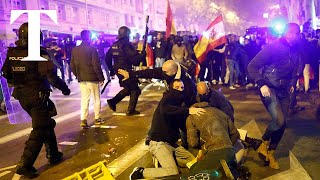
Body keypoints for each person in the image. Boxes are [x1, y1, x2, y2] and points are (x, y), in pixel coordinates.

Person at [1, 22, 71, 178]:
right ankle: (25, 165)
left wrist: (20, 82)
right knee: (40, 128)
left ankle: (53, 154)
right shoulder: (39, 52)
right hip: (37, 96)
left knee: (46, 124)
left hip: (21, 95)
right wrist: (65, 88)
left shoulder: (12, 52)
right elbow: (52, 77)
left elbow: (5, 73)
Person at [247, 23, 304, 169]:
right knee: (278, 120)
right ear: (287, 33)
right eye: (293, 33)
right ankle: (263, 143)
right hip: (269, 88)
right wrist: (261, 83)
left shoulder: (296, 49)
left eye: (297, 33)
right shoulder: (273, 47)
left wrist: (292, 83)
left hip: (284, 90)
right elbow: (252, 66)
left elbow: (296, 68)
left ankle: (271, 152)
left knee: (283, 123)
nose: (296, 36)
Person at [130, 80, 205, 180]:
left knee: (194, 162)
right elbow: (164, 109)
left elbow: (183, 127)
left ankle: (165, 161)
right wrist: (188, 111)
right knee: (172, 171)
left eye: (182, 88)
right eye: (176, 87)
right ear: (171, 89)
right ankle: (140, 172)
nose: (179, 90)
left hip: (172, 144)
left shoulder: (178, 105)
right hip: (159, 143)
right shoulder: (167, 98)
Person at [186, 103, 239, 173]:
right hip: (229, 151)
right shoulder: (220, 112)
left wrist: (204, 146)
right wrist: (227, 145)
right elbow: (235, 134)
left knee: (194, 172)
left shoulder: (191, 117)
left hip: (213, 152)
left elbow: (193, 143)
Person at [105, 26, 146, 116]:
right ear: (127, 34)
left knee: (128, 88)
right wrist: (143, 55)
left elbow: (107, 58)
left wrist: (111, 69)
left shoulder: (114, 45)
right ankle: (130, 110)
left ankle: (113, 101)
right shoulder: (126, 45)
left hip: (118, 70)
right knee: (135, 90)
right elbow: (134, 60)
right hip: (125, 71)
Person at [71, 30, 105, 128]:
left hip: (82, 78)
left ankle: (83, 119)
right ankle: (97, 118)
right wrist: (101, 78)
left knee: (85, 99)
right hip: (92, 78)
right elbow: (96, 65)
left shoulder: (75, 50)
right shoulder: (92, 49)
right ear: (89, 37)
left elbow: (72, 65)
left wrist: (77, 75)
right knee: (96, 98)